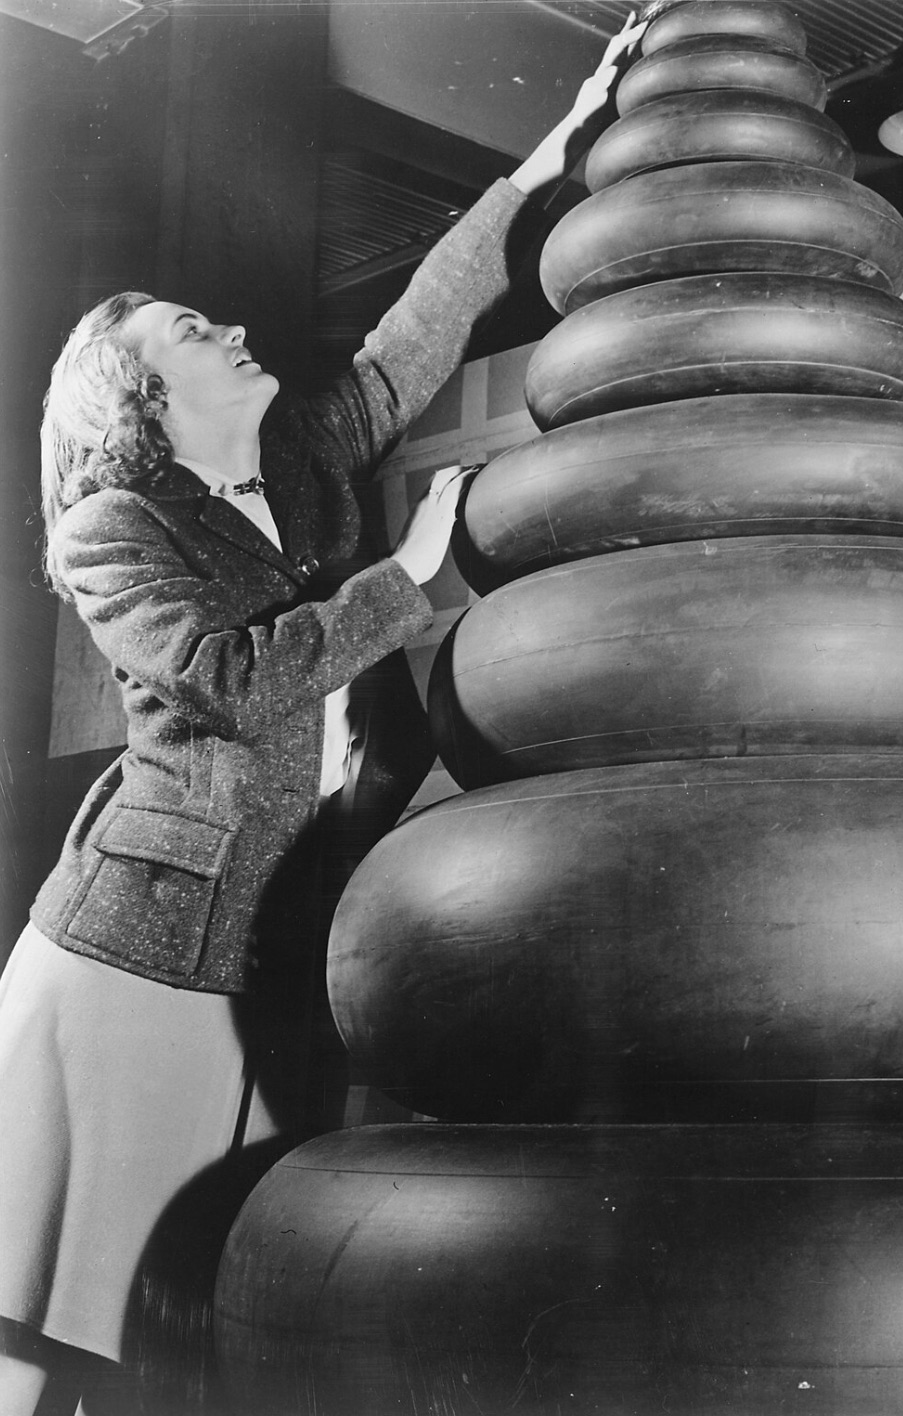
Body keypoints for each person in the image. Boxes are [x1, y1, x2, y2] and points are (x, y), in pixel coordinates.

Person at [0, 16, 646, 1414]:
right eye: (192, 331)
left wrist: (569, 135)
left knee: (193, 1303)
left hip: (290, 938)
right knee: (66, 1308)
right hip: (144, 954)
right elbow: (229, 685)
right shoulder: (116, 524)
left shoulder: (305, 449)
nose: (231, 330)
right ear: (140, 393)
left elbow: (441, 296)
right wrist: (407, 578)